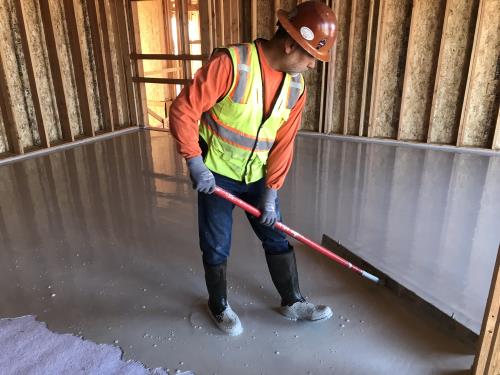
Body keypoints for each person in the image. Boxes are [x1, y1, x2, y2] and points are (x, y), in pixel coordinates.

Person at [169, 1, 338, 336]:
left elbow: (283, 142)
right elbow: (184, 109)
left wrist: (272, 192)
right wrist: (194, 161)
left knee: (276, 234)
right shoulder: (232, 64)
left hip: (257, 176)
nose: (311, 66)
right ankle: (218, 306)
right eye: (309, 57)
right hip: (216, 173)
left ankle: (292, 301)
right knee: (217, 244)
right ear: (290, 44)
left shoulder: (295, 87)